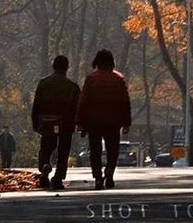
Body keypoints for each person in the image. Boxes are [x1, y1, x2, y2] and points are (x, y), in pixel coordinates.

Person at [75, 48, 132, 190]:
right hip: (114, 120)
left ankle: (98, 177)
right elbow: (125, 102)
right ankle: (110, 171)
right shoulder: (118, 79)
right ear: (112, 62)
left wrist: (81, 123)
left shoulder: (91, 79)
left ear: (97, 62)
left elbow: (83, 101)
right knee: (113, 149)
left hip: (94, 121)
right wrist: (126, 123)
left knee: (95, 150)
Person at [31, 54, 81, 189]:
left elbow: (36, 105)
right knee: (63, 151)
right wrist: (80, 124)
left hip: (47, 121)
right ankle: (58, 177)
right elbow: (78, 108)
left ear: (53, 67)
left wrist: (35, 123)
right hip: (66, 123)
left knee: (46, 147)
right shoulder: (72, 87)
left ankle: (44, 167)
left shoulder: (43, 83)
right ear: (66, 68)